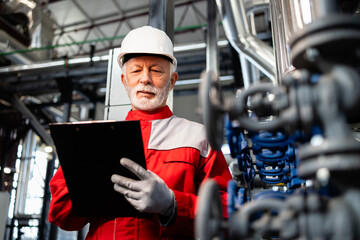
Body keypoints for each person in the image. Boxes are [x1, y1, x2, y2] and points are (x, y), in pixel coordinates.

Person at [48, 26, 232, 239]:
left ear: (172, 81)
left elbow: (226, 212)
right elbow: (61, 215)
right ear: (125, 81)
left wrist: (172, 205)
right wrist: (85, 176)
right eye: (136, 71)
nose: (145, 79)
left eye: (156, 70)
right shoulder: (93, 138)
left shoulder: (199, 138)